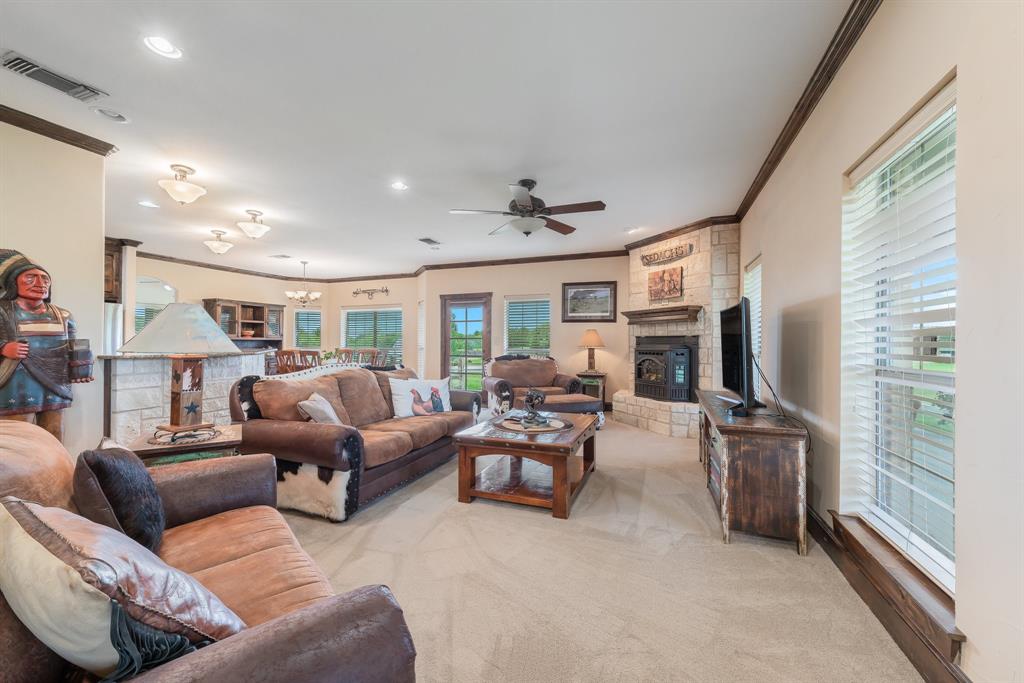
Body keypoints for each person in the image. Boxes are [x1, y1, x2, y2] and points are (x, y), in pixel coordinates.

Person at [0, 249, 93, 442]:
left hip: (56, 385)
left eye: (45, 279)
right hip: (16, 385)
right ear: (13, 282)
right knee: (17, 439)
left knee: (54, 435)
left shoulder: (63, 315)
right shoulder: (3, 311)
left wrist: (81, 368)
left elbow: (72, 346)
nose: (40, 283)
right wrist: (4, 348)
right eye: (30, 278)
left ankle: (55, 463)